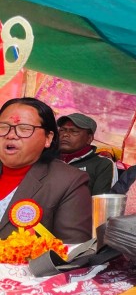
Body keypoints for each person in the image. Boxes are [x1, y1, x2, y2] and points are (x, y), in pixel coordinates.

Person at [0, 98, 91, 242]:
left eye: (24, 128)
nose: (10, 135)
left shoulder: (69, 182)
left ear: (48, 138)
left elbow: (73, 251)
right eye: (3, 127)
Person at [57, 112, 117, 195]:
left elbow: (101, 203)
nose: (65, 135)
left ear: (89, 138)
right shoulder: (47, 160)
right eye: (62, 130)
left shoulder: (103, 164)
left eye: (74, 131)